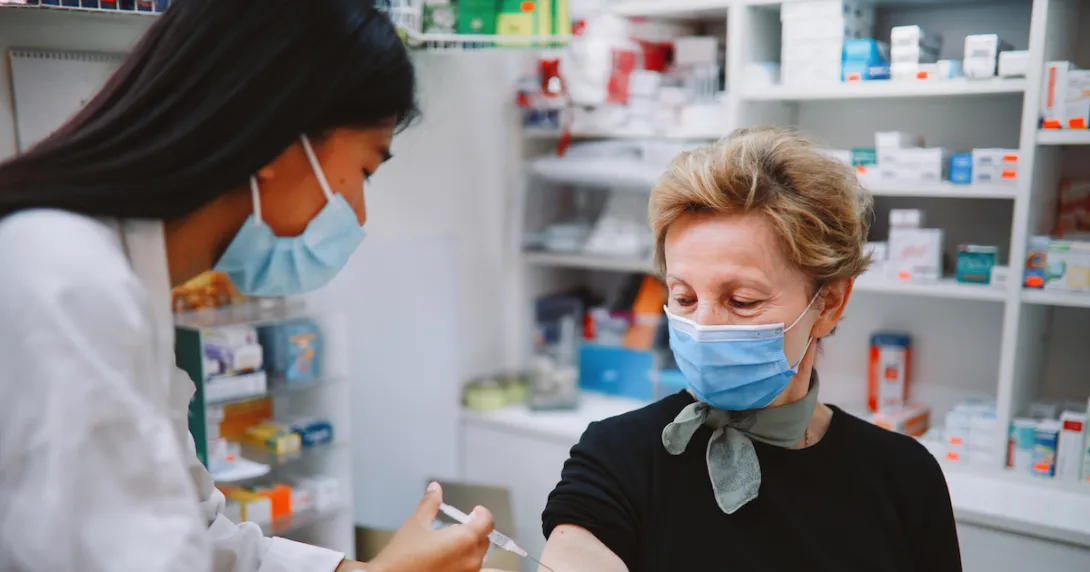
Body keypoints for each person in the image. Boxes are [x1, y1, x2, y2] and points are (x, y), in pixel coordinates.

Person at [0, 2, 496, 572]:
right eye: (364, 172)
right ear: (279, 139)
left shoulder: (121, 290)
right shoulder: (67, 285)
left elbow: (199, 540)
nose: (357, 214)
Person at [538, 127, 962, 571]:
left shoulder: (903, 477)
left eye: (742, 301)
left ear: (829, 302)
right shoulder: (619, 456)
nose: (701, 327)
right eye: (683, 298)